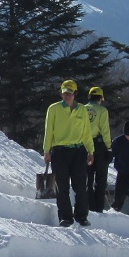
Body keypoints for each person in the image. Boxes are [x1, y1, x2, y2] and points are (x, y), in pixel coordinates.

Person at [42, 80, 94, 227]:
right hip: (59, 151)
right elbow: (49, 131)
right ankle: (65, 217)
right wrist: (47, 151)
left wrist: (91, 150)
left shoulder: (82, 109)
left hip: (78, 151)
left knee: (80, 186)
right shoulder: (54, 109)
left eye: (70, 93)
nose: (67, 96)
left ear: (75, 94)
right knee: (62, 186)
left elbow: (86, 132)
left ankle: (81, 216)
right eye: (64, 93)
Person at [84, 86, 112, 212]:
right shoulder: (102, 110)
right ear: (100, 98)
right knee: (100, 179)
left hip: (84, 146)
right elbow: (105, 130)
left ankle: (89, 206)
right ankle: (99, 208)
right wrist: (109, 148)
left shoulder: (81, 109)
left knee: (87, 179)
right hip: (99, 145)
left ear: (89, 96)